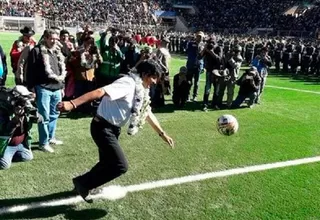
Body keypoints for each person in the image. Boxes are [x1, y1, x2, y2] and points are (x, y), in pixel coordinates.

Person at [57, 59, 174, 203]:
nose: (155, 82)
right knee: (120, 166)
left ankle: (83, 185)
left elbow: (146, 112)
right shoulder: (127, 83)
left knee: (106, 163)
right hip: (102, 127)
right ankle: (83, 183)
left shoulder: (141, 90)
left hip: (113, 129)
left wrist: (162, 134)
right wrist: (72, 103)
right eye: (153, 77)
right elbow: (100, 91)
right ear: (144, 74)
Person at [26, 29, 66, 153]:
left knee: (55, 115)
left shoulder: (57, 51)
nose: (54, 41)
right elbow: (30, 71)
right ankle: (43, 143)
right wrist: (32, 89)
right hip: (42, 88)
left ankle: (51, 137)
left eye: (56, 38)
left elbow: (60, 69)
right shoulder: (37, 51)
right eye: (51, 38)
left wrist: (62, 86)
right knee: (44, 117)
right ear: (46, 38)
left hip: (57, 88)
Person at [0, 86, 35, 169]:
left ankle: (9, 155)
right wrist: (15, 120)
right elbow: (5, 131)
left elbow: (40, 119)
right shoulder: (3, 110)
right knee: (4, 165)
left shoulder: (26, 108)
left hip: (20, 144)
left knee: (28, 157)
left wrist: (36, 116)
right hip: (6, 144)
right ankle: (5, 156)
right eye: (23, 98)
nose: (26, 101)